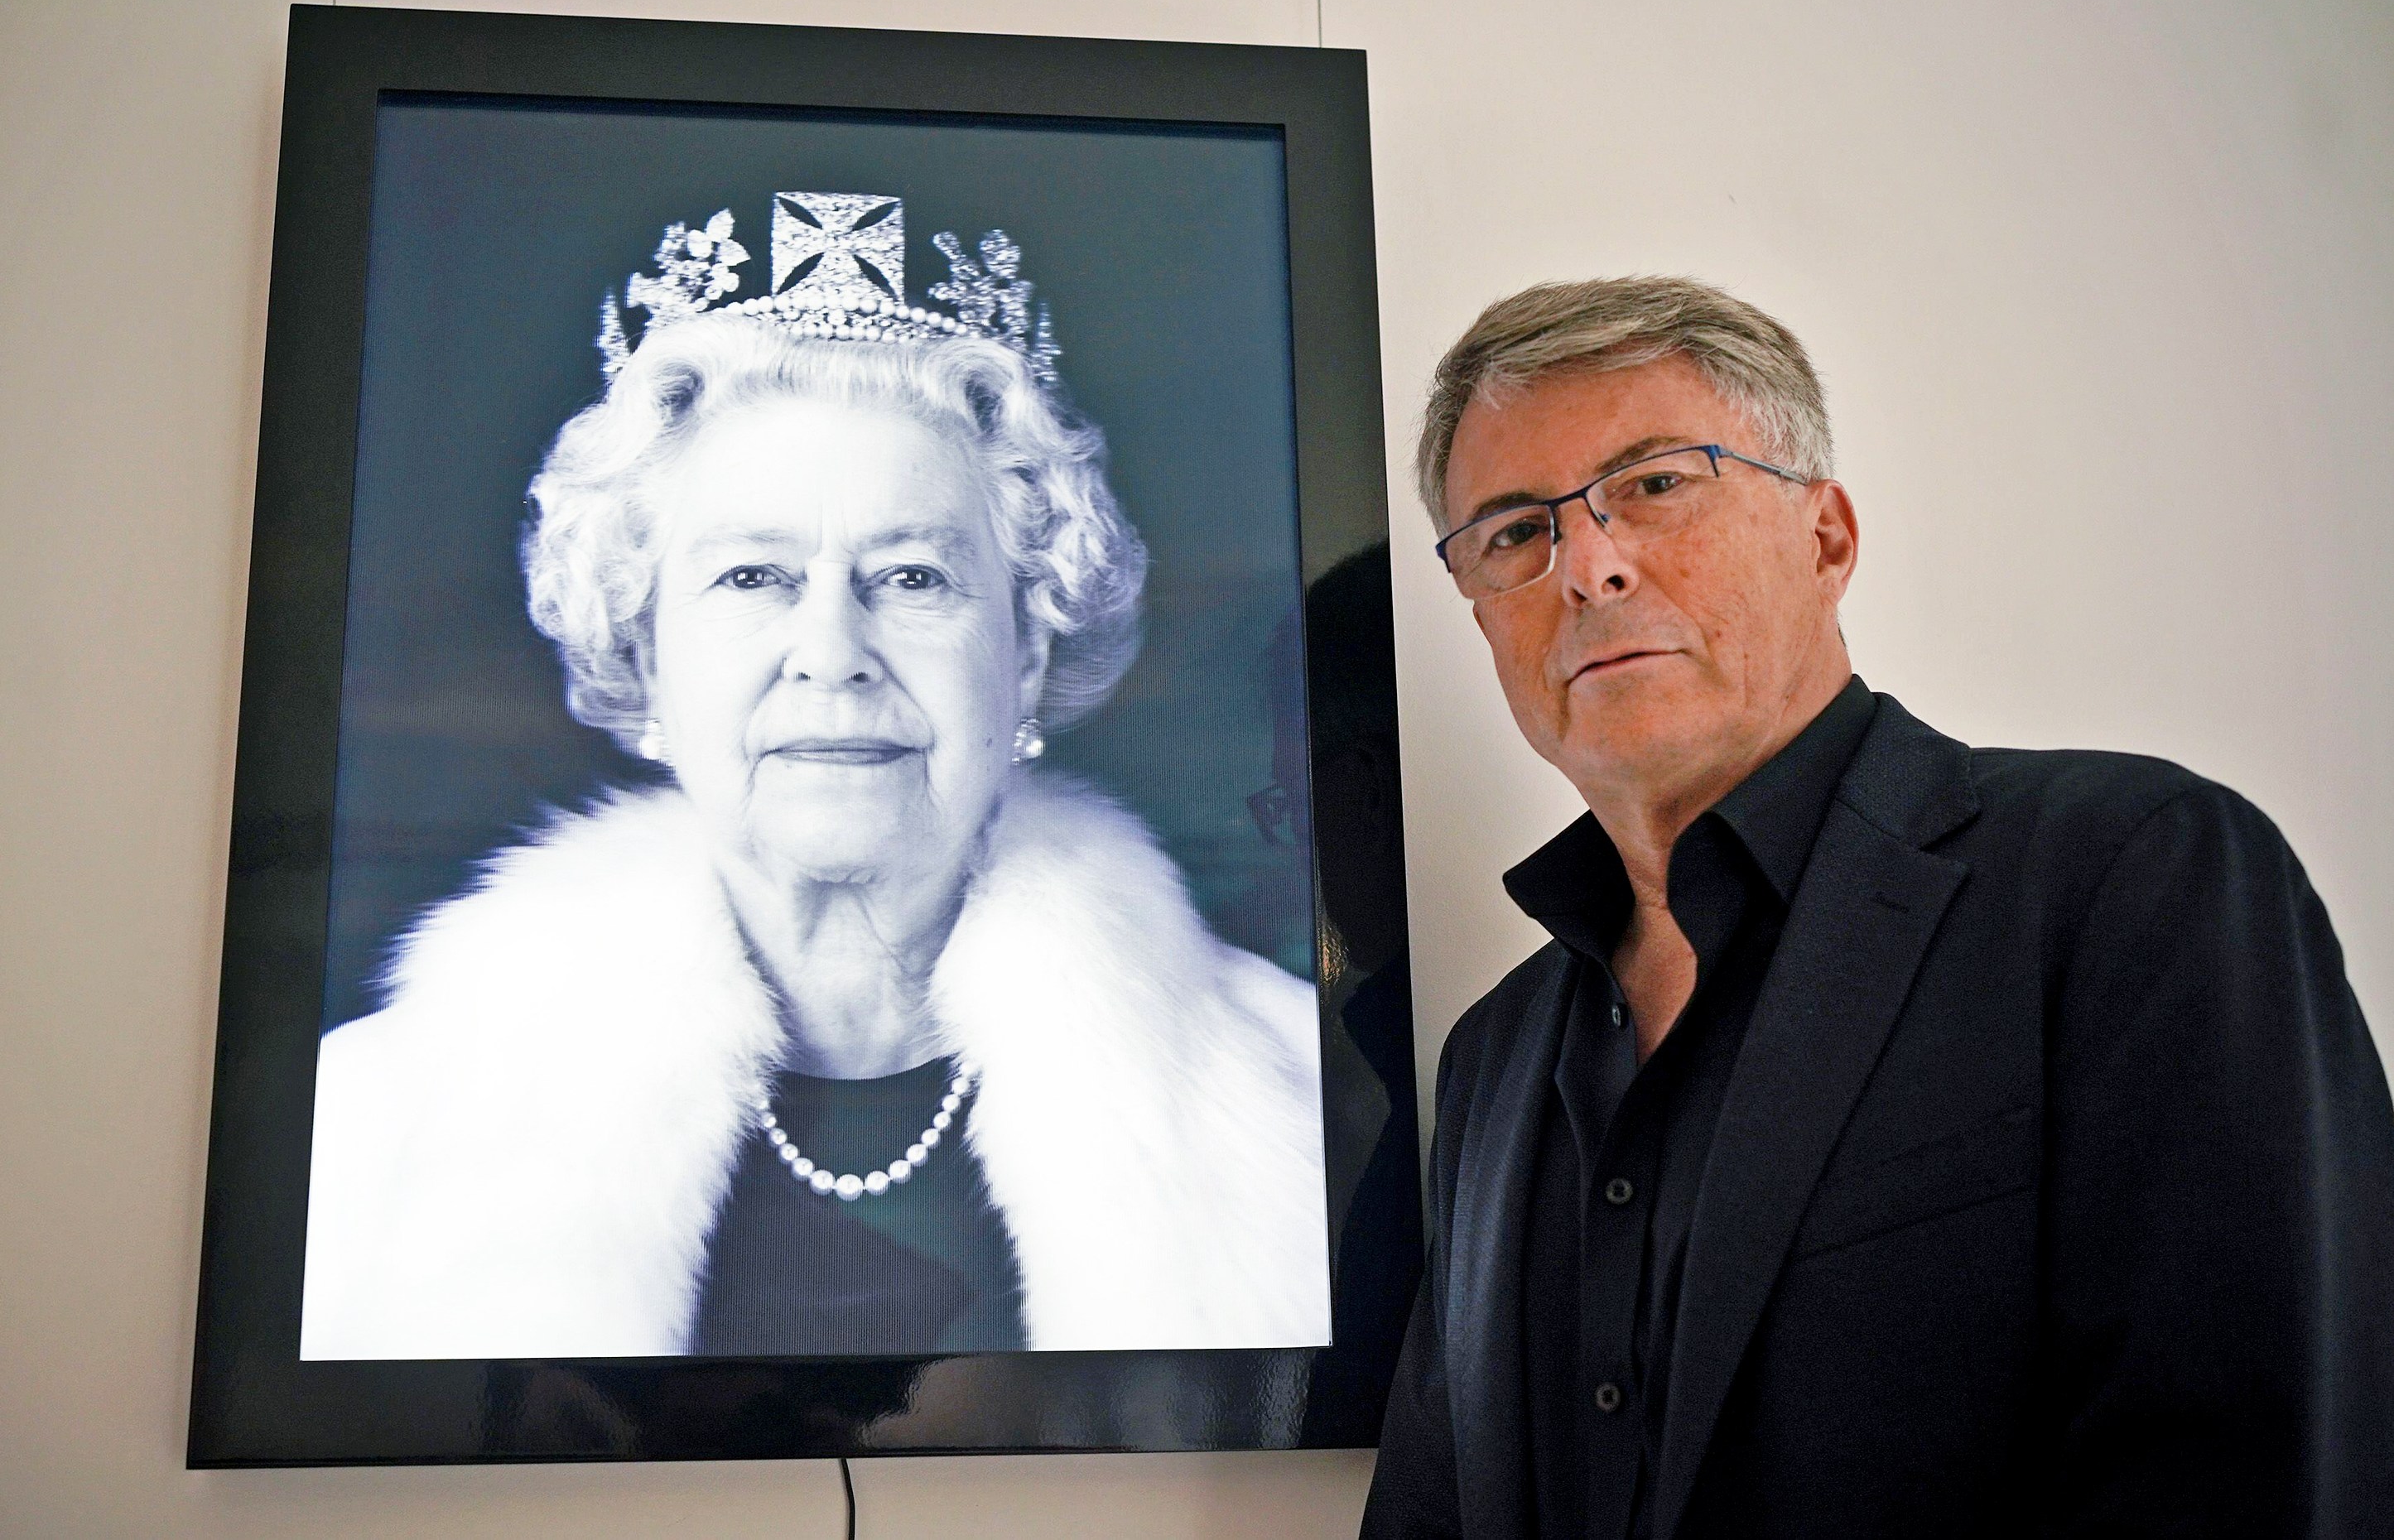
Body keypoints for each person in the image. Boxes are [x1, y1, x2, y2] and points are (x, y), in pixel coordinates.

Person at [1361, 276, 2394, 1537]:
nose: (1590, 564)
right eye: (1516, 530)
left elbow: (2270, 1474)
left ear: (1828, 538)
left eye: (1656, 483)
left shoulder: (2133, 880)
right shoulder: (1492, 1060)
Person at [300, 200, 1331, 1362]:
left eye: (912, 575)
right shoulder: (372, 1128)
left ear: (1028, 648)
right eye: (752, 575)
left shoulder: (1292, 1092)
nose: (833, 648)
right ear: (643, 656)